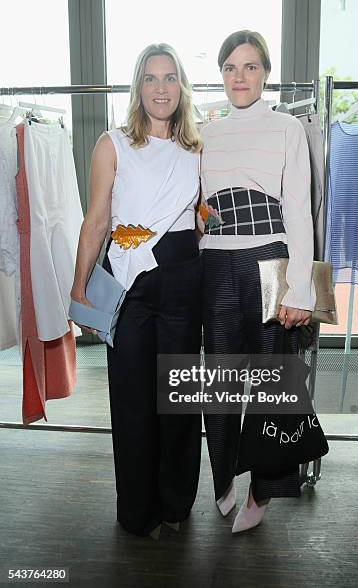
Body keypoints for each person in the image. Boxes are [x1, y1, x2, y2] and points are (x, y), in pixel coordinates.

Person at [70, 43, 203, 538]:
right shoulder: (113, 143)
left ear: (181, 86)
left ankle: (176, 503)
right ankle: (138, 510)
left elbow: (203, 213)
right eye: (151, 78)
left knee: (180, 395)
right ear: (138, 87)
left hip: (185, 276)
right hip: (129, 277)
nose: (161, 88)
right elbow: (97, 220)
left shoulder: (197, 145)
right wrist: (79, 288)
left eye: (170, 78)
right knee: (131, 398)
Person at [199, 30, 319, 533]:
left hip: (272, 259)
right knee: (221, 383)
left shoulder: (289, 128)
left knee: (273, 384)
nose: (239, 76)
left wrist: (302, 289)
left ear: (265, 72)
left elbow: (299, 214)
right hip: (216, 264)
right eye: (230, 67)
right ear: (221, 74)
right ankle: (223, 478)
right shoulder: (205, 132)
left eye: (250, 67)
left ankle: (261, 490)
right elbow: (197, 208)